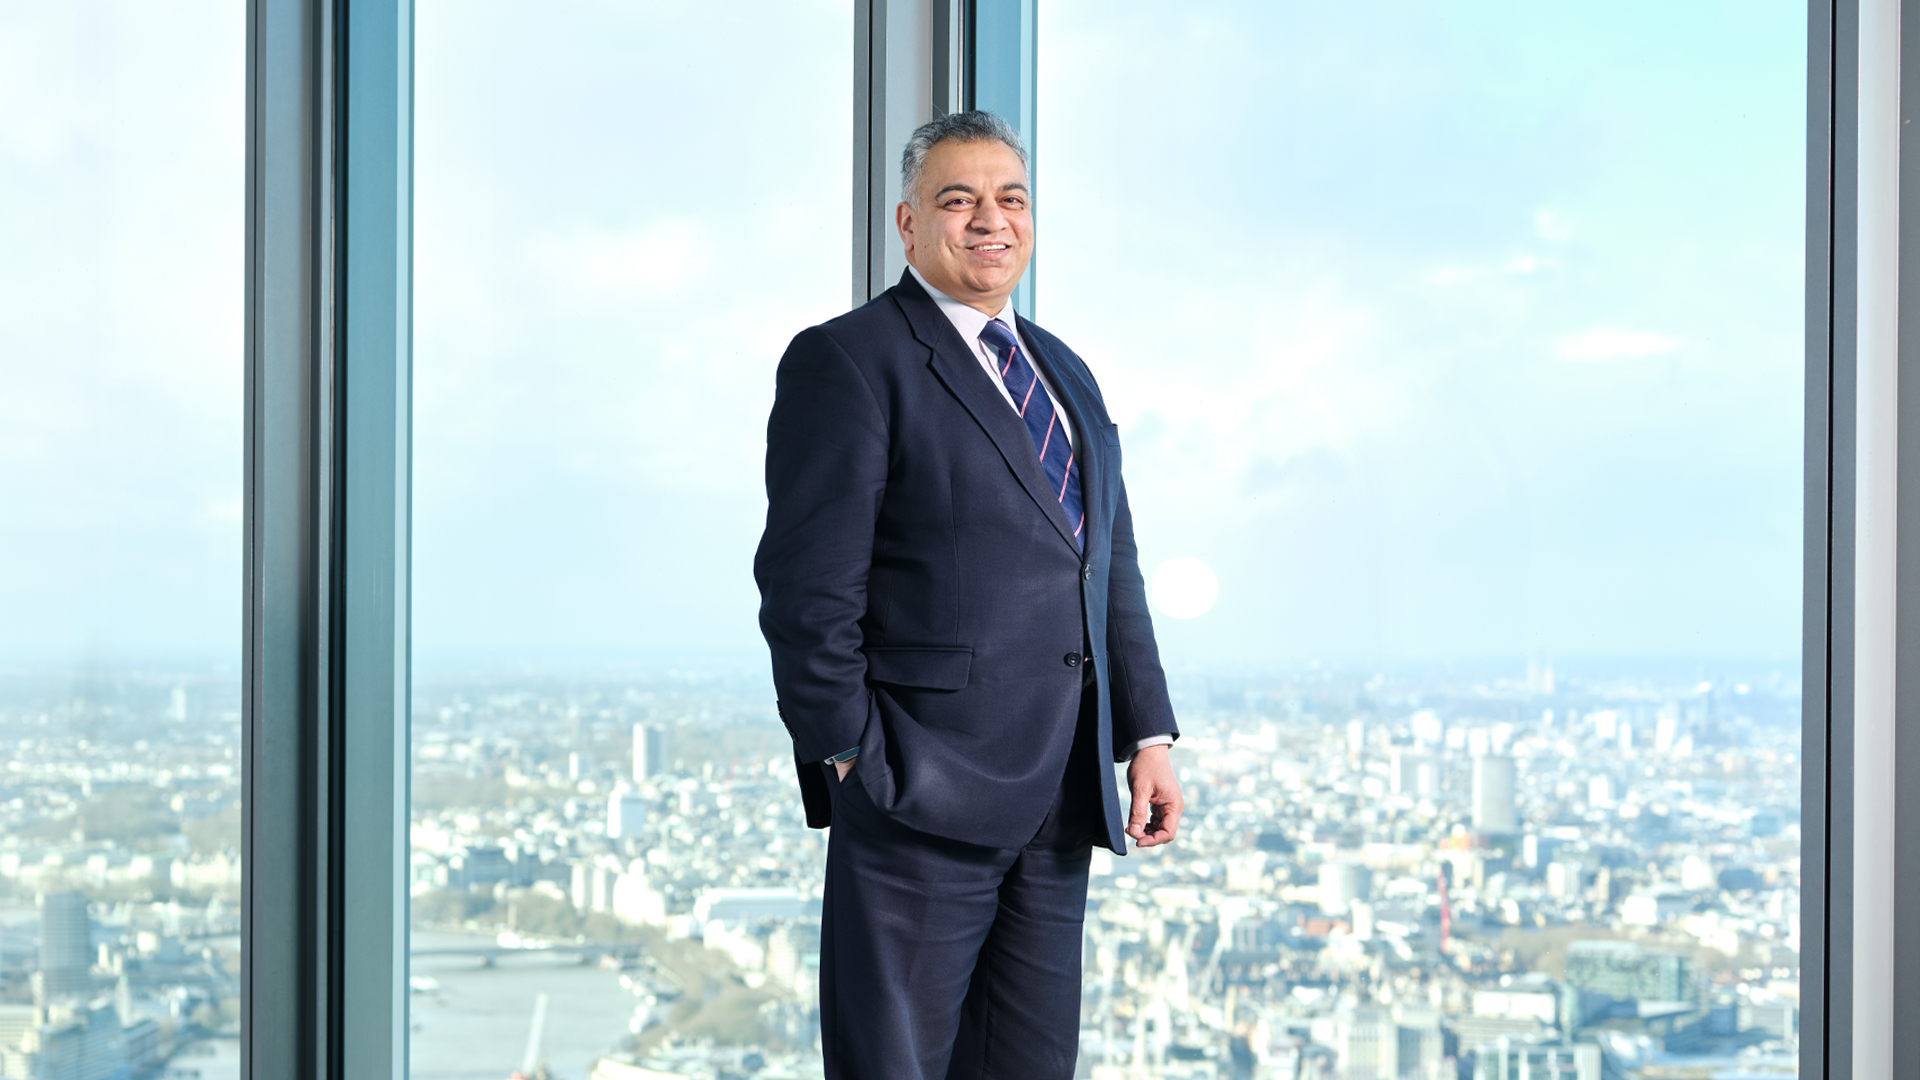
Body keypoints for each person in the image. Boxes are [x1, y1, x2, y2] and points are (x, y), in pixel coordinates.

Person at [754, 110, 1183, 1080]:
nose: (991, 219)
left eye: (1011, 199)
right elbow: (806, 589)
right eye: (959, 200)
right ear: (908, 225)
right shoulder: (849, 360)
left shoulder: (1061, 367)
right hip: (919, 794)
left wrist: (1144, 735)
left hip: (1059, 798)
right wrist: (853, 754)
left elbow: (1106, 563)